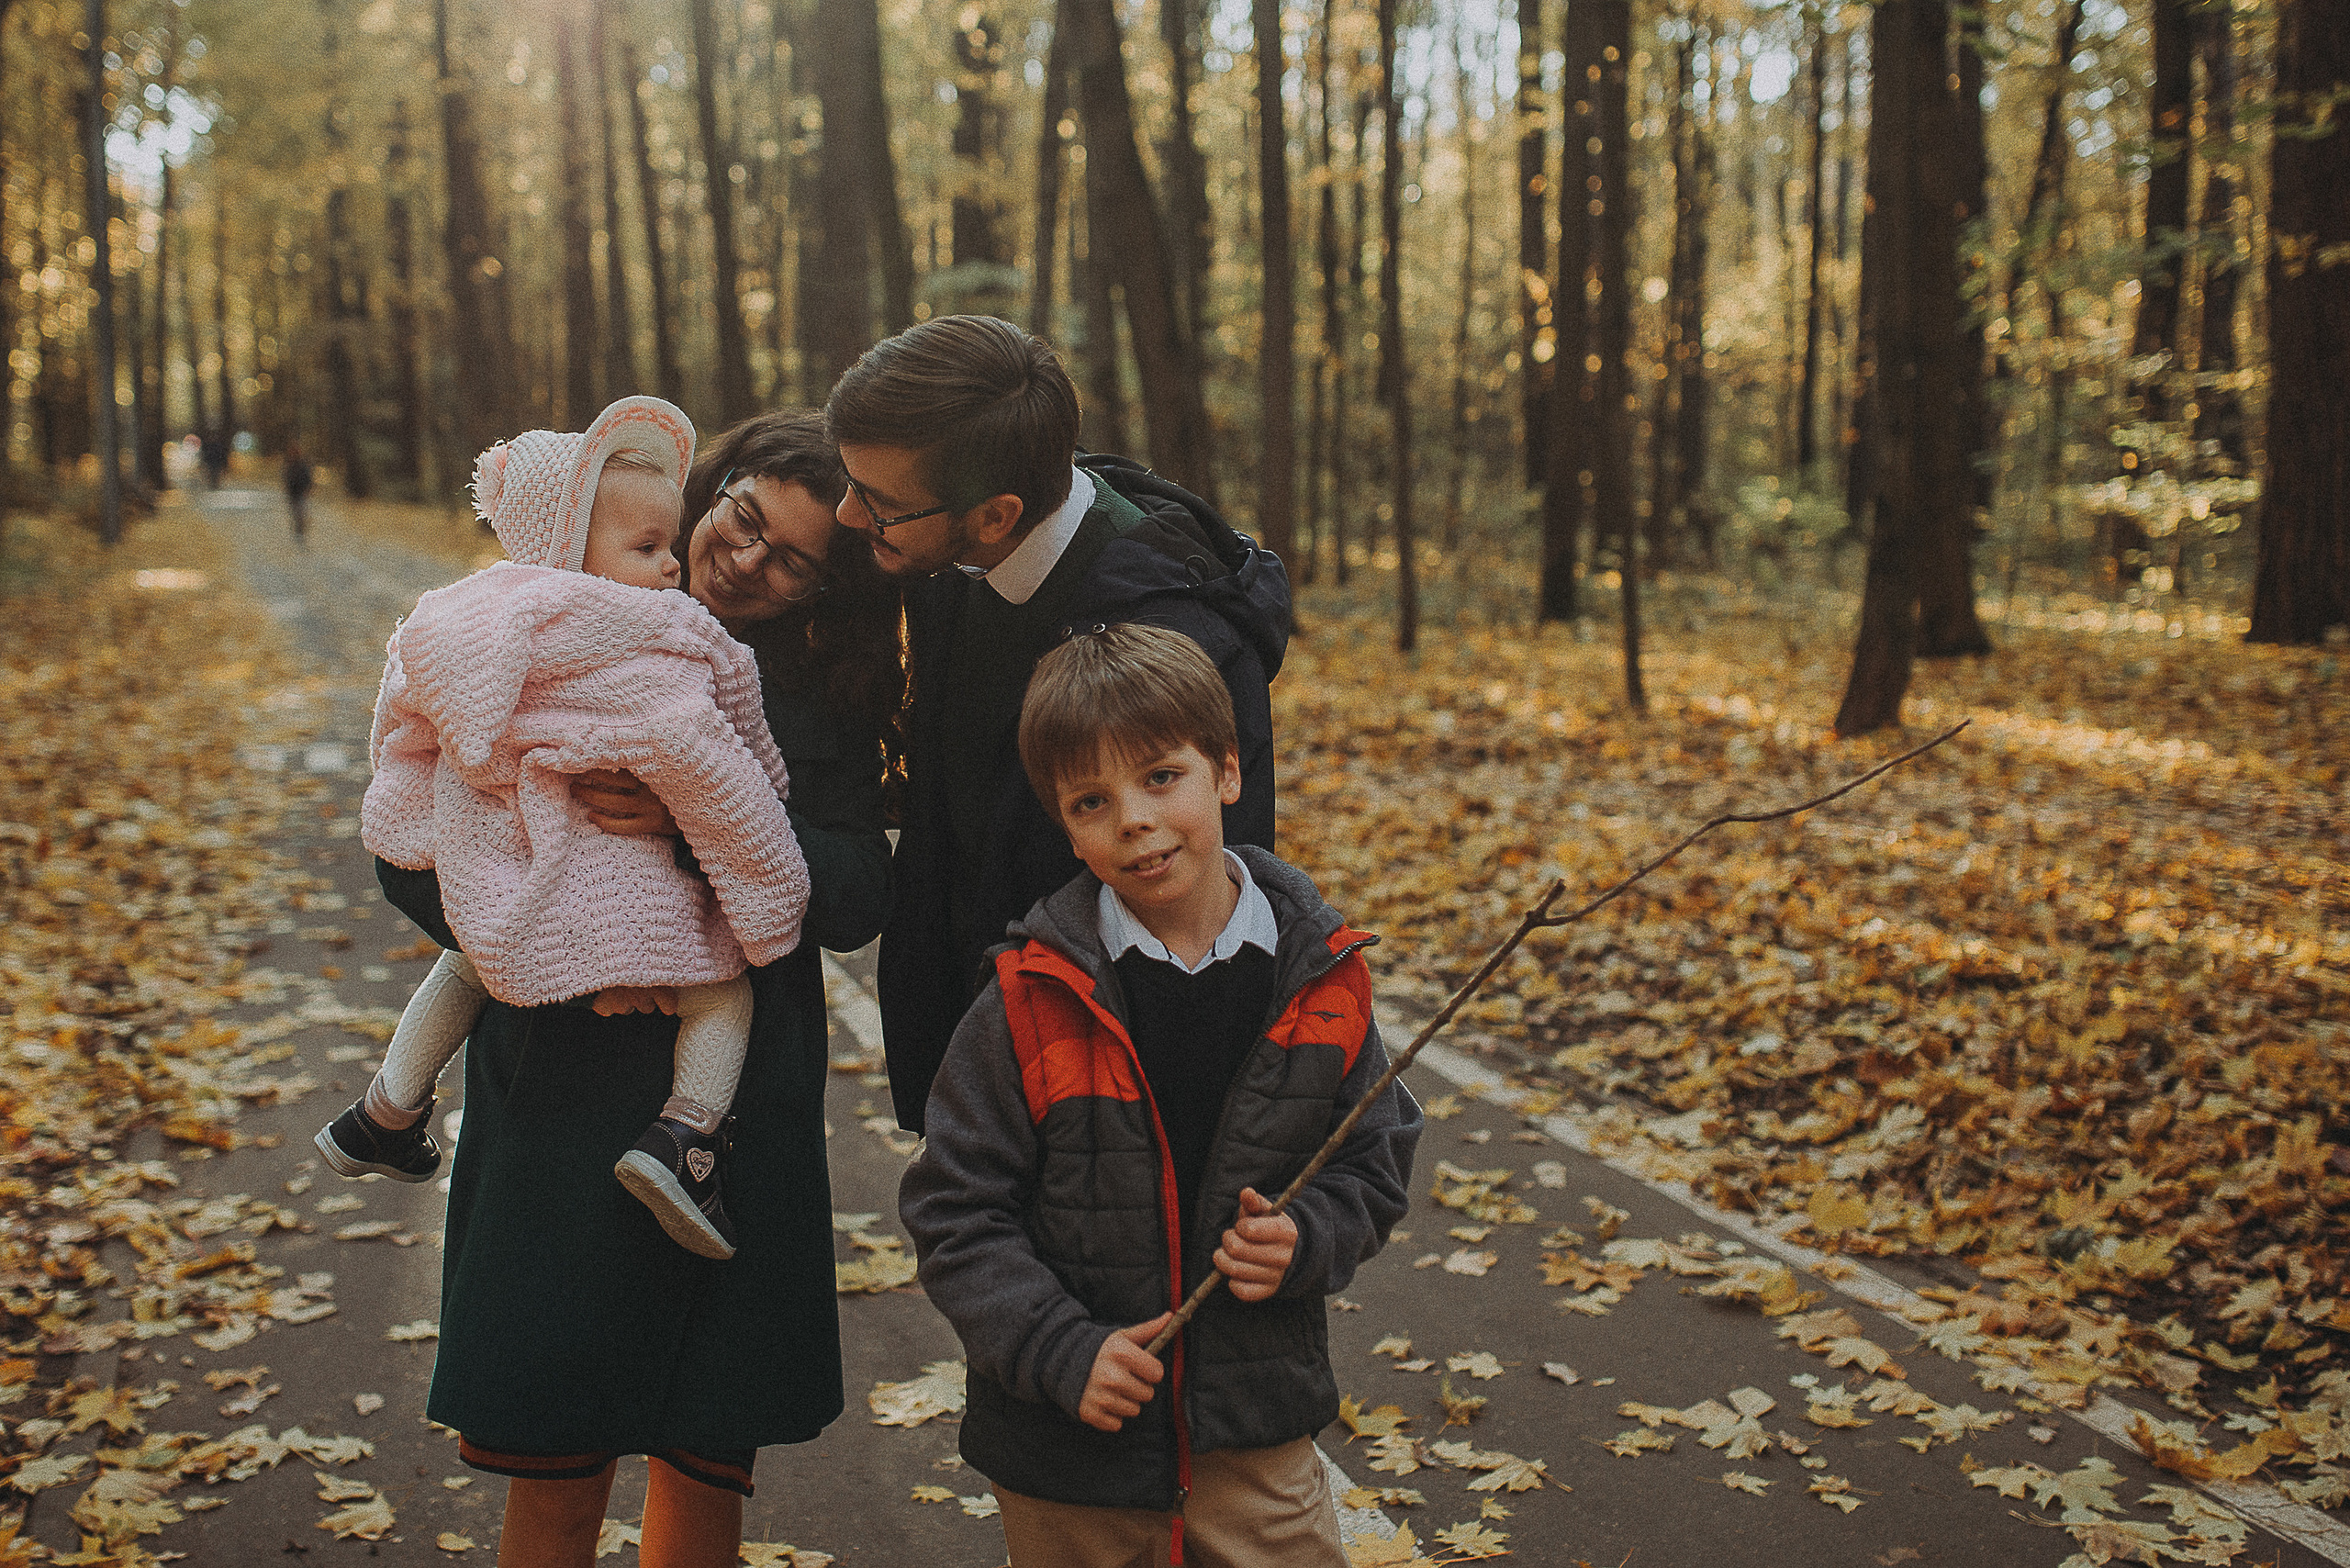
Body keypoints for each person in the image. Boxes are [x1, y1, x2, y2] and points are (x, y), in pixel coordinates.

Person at [375, 409, 899, 1568]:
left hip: (726, 1113)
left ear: (823, 589)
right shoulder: (521, 621)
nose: (747, 556)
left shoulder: (817, 692)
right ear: (709, 489)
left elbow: (859, 889)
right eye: (743, 517)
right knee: (554, 1460)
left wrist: (700, 823)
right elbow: (409, 846)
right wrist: (565, 962)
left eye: (792, 559)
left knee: (703, 1453)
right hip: (559, 1090)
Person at [901, 622, 1420, 1568]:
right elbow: (954, 1207)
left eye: (1160, 778)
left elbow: (1372, 1160)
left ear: (1226, 769)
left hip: (1254, 1434)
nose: (1133, 819)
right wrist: (1060, 1349)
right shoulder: (1028, 996)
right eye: (1091, 800)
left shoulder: (1318, 975)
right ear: (1063, 822)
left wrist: (1303, 1241)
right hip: (1067, 1455)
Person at [325, 396, 811, 1261]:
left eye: (793, 561)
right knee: (724, 990)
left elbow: (407, 721)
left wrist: (442, 806)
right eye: (736, 518)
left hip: (510, 881)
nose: (681, 567)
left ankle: (385, 1110)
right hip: (570, 1021)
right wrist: (758, 857)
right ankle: (686, 1137)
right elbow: (723, 756)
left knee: (470, 961)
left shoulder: (468, 619)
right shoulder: (668, 636)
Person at [824, 314, 1291, 1133]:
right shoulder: (951, 555)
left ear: (997, 516)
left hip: (1105, 1106)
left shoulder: (1178, 644)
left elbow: (1209, 931)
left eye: (879, 504)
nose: (848, 516)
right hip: (977, 1069)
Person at [283, 442, 315, 538]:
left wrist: (308, 489)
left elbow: (308, 478)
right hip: (293, 493)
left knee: (300, 512)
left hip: (301, 492)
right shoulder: (289, 465)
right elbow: (286, 478)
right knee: (295, 512)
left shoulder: (303, 465)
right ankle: (298, 529)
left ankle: (301, 529)